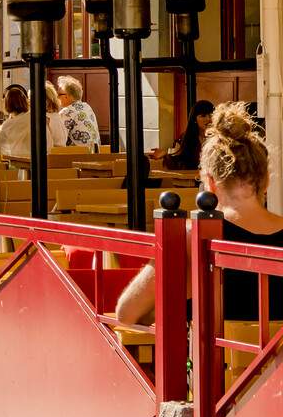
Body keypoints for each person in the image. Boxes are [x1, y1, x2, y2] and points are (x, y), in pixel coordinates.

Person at [118, 106, 283, 324]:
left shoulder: (190, 236)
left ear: (211, 183)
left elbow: (127, 313)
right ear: (267, 181)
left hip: (210, 357)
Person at [0, 83, 68, 160]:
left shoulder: (43, 117)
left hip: (48, 160)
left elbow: (2, 148)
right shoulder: (53, 116)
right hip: (50, 159)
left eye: (30, 99)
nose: (29, 102)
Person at [166, 98, 214, 171]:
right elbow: (177, 162)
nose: (208, 119)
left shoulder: (220, 137)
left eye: (211, 115)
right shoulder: (185, 138)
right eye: (203, 116)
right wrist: (165, 154)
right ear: (194, 119)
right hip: (192, 179)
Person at [55, 76, 101, 148]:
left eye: (59, 94)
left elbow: (59, 140)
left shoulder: (67, 112)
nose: (57, 97)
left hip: (78, 156)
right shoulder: (87, 107)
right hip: (95, 154)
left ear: (67, 96)